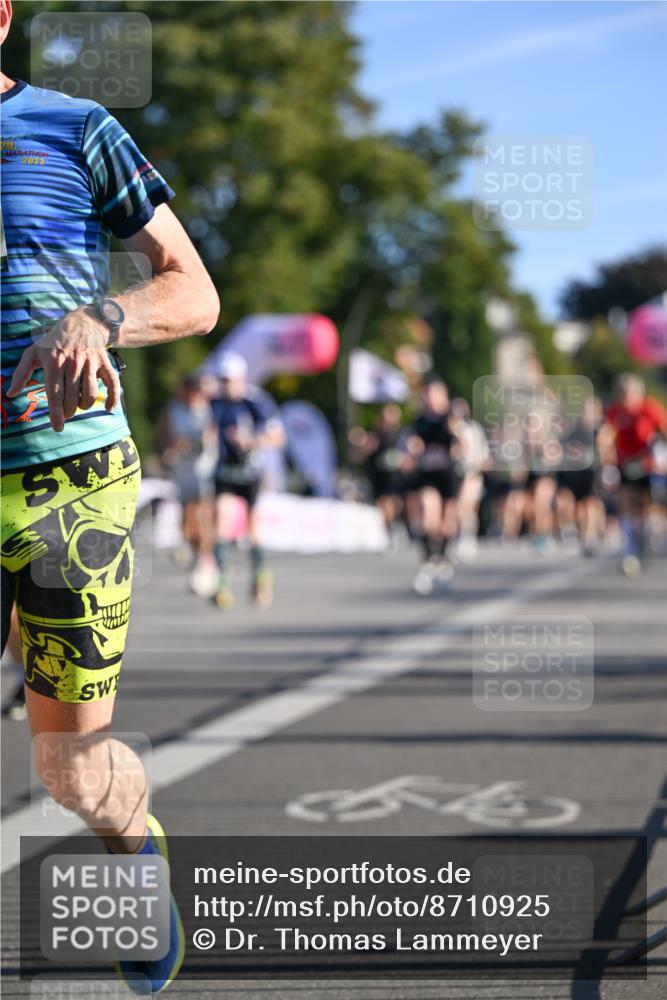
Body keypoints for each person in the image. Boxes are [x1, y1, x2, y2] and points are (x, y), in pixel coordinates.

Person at [0, 3, 220, 991]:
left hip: (68, 478)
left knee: (72, 774)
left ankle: (135, 846)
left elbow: (193, 289)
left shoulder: (76, 127)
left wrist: (101, 314)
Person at [210, 352, 286, 609]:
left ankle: (260, 578)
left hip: (251, 472)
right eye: (222, 380)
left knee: (253, 528)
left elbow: (278, 436)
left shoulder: (255, 401)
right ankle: (222, 583)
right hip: (223, 472)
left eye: (229, 380)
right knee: (221, 520)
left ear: (240, 378)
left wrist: (252, 441)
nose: (225, 385)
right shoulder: (215, 403)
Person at [603, 373, 667, 576]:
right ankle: (630, 547)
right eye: (623, 393)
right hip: (625, 464)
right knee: (626, 502)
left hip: (647, 465)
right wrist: (607, 462)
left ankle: (646, 537)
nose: (626, 397)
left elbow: (663, 430)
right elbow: (606, 435)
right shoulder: (615, 411)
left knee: (646, 505)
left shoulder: (650, 408)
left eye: (629, 392)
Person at [407, 376, 463, 593]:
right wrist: (414, 449)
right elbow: (413, 443)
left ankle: (444, 558)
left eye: (436, 394)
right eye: (428, 394)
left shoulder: (450, 418)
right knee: (428, 513)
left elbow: (462, 441)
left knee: (446, 523)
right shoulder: (419, 421)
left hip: (448, 476)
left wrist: (457, 436)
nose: (432, 399)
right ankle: (429, 559)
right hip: (428, 476)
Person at [160, 375, 216, 571]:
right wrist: (171, 448)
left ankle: (205, 556)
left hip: (202, 466)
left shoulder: (205, 409)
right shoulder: (174, 409)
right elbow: (166, 437)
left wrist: (192, 443)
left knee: (201, 510)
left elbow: (210, 437)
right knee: (186, 512)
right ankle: (194, 550)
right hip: (182, 468)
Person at [449, 397, 489, 561]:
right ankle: (460, 536)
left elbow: (482, 451)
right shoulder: (450, 428)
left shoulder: (473, 429)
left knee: (467, 506)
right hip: (455, 472)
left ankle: (468, 538)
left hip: (472, 470)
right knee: (457, 508)